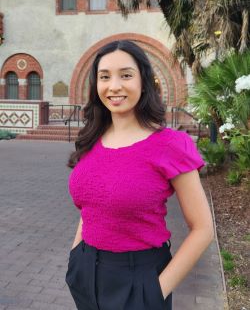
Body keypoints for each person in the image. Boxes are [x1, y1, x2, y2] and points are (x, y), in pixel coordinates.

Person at [65, 40, 214, 310]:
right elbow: (89, 206)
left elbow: (203, 229)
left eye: (126, 75)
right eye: (104, 77)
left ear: (144, 81)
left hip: (140, 279)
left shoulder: (171, 145)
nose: (114, 86)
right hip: (86, 271)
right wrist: (76, 255)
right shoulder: (91, 139)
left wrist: (155, 293)